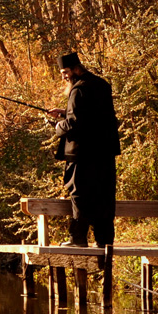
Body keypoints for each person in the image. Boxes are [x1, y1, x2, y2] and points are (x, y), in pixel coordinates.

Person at [45, 52, 121, 247]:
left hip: (82, 155)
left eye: (65, 72)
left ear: (76, 69)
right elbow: (94, 116)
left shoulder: (78, 90)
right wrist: (64, 112)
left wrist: (58, 126)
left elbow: (74, 124)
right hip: (104, 154)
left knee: (79, 194)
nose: (64, 77)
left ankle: (78, 239)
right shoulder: (102, 84)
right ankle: (105, 241)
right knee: (103, 196)